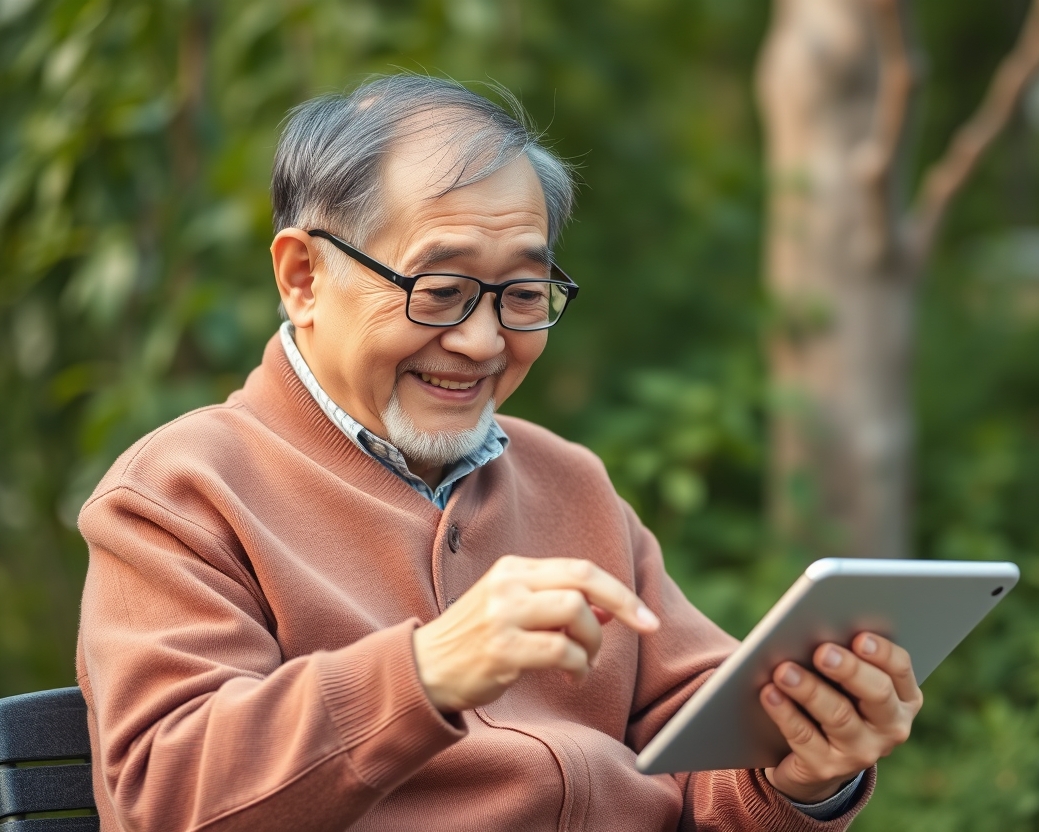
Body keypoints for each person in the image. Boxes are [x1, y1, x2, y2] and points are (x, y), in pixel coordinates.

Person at [76, 74, 922, 832]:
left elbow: (706, 773)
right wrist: (425, 672)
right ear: (302, 277)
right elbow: (167, 796)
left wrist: (804, 778)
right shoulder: (181, 494)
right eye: (439, 291)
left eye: (522, 294)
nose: (483, 341)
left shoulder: (570, 482)